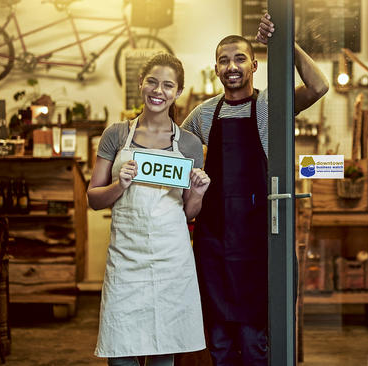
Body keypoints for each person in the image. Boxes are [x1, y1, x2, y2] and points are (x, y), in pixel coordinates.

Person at [181, 13, 329, 366]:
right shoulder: (202, 115)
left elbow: (319, 87)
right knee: (218, 340)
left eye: (240, 58)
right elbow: (174, 149)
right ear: (216, 69)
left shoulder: (271, 106)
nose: (231, 66)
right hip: (215, 242)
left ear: (254, 65)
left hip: (260, 239)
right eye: (223, 60)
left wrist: (285, 43)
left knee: (253, 340)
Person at [88, 53, 211, 366]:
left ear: (178, 92)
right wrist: (119, 185)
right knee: (120, 352)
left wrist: (197, 193)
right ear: (141, 84)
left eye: (168, 85)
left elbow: (188, 213)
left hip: (170, 260)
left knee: (163, 352)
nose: (159, 90)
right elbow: (93, 198)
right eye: (153, 82)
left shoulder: (189, 144)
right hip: (126, 259)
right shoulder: (115, 135)